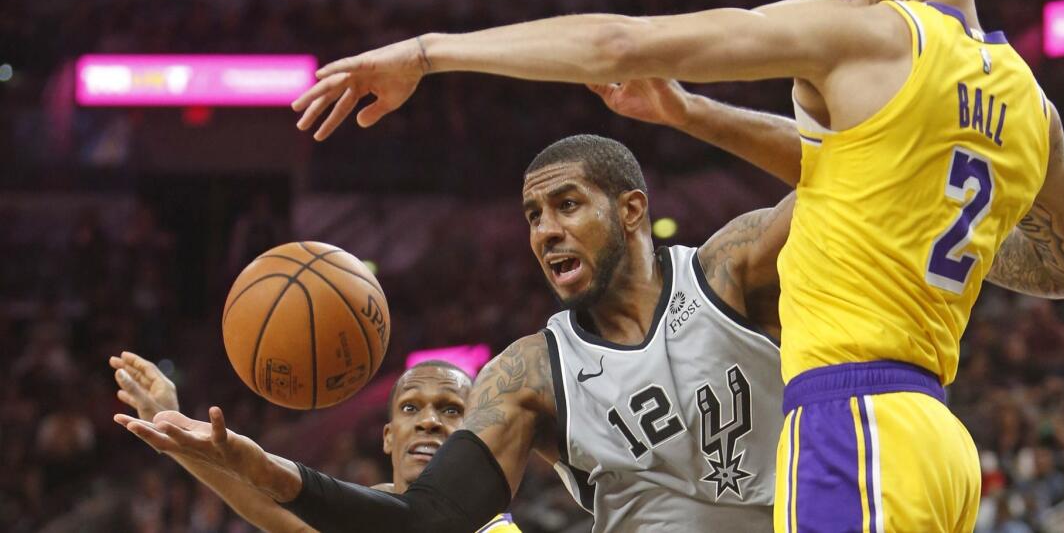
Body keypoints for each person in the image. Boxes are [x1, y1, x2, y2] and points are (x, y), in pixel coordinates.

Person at [289, 0, 1064, 530]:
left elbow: (619, 42)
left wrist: (429, 52)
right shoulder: (1030, 105)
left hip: (848, 422)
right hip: (938, 443)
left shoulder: (870, 35)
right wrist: (690, 112)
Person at [117, 132, 795, 532]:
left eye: (566, 205)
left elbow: (856, 178)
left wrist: (694, 111)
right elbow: (425, 522)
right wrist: (252, 463)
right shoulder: (529, 374)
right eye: (533, 215)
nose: (545, 230)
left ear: (632, 209)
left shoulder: (731, 268)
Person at [110, 351, 520, 532]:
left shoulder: (492, 529)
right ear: (388, 437)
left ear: (473, 439)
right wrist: (175, 434)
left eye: (450, 410)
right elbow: (276, 514)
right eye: (411, 408)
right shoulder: (362, 510)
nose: (428, 421)